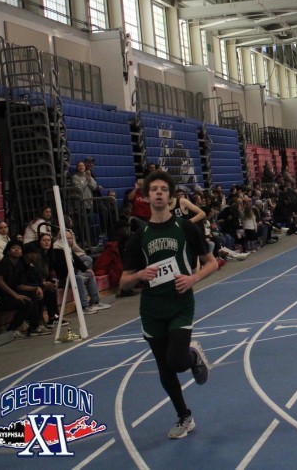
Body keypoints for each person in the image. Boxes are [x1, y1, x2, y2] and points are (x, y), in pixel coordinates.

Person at [120, 170, 218, 440]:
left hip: (180, 304)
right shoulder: (139, 236)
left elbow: (211, 263)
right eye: (154, 189)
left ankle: (191, 356)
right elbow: (123, 282)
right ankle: (184, 416)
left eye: (164, 189)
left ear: (171, 197)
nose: (159, 193)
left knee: (176, 361)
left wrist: (193, 278)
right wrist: (140, 275)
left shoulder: (185, 228)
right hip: (152, 309)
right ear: (146, 196)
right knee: (164, 368)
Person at [0, 239, 50, 338]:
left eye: (19, 248)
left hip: (10, 296)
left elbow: (20, 285)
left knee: (32, 295)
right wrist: (16, 295)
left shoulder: (17, 265)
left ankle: (34, 326)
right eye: (14, 248)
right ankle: (12, 329)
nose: (17, 250)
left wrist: (36, 288)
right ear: (8, 251)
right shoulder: (4, 263)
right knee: (26, 302)